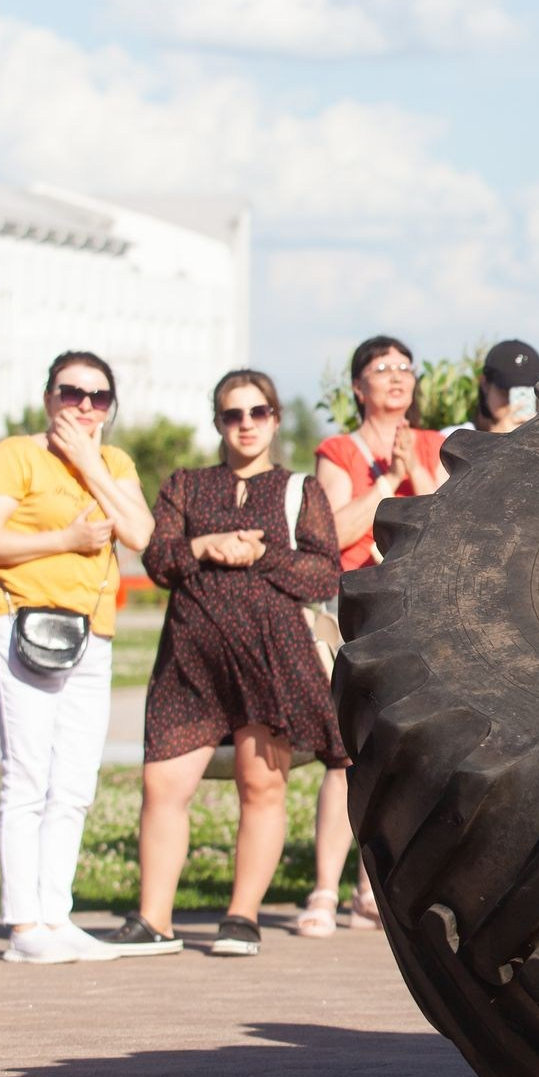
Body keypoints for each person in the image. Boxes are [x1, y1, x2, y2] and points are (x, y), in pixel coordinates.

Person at [110, 370, 343, 958]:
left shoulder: (299, 490)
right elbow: (159, 560)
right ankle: (153, 920)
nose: (245, 424)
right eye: (232, 414)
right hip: (190, 657)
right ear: (217, 421)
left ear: (275, 419)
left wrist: (265, 557)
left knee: (260, 785)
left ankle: (242, 915)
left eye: (257, 412)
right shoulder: (185, 486)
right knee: (162, 782)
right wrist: (202, 547)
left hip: (270, 657)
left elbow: (326, 573)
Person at [0, 352, 155, 964]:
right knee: (27, 776)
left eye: (99, 397)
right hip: (24, 620)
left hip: (92, 632)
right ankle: (24, 927)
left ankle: (56, 915)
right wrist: (66, 540)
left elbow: (141, 535)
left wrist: (87, 463)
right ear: (48, 396)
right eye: (72, 392)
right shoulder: (15, 455)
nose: (84, 405)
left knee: (75, 781)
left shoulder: (116, 462)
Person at [310, 334, 450, 933]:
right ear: (357, 386)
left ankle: (380, 889)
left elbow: (448, 526)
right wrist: (385, 484)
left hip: (417, 616)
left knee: (406, 753)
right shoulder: (338, 450)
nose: (396, 376)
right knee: (348, 752)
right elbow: (332, 533)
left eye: (404, 367)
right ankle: (323, 888)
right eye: (380, 367)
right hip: (355, 619)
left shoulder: (437, 443)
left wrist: (415, 471)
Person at [461, 338, 539, 435]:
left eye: (524, 393)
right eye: (505, 392)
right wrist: (496, 440)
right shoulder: (453, 439)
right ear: (485, 384)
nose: (514, 403)